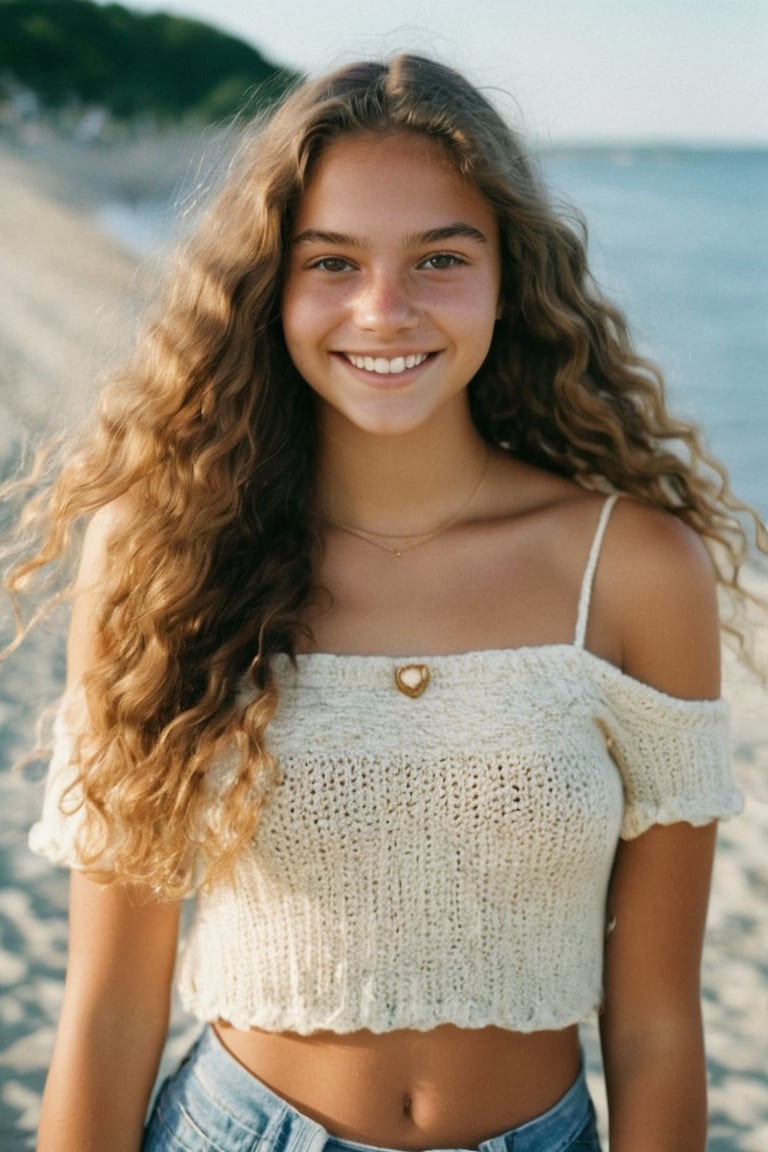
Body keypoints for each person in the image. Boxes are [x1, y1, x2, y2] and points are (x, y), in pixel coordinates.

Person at [4, 53, 763, 1152]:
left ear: (511, 276)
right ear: (270, 284)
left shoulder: (634, 567)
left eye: (440, 259)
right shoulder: (163, 557)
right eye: (333, 262)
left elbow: (652, 1022)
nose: (384, 309)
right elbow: (112, 1004)